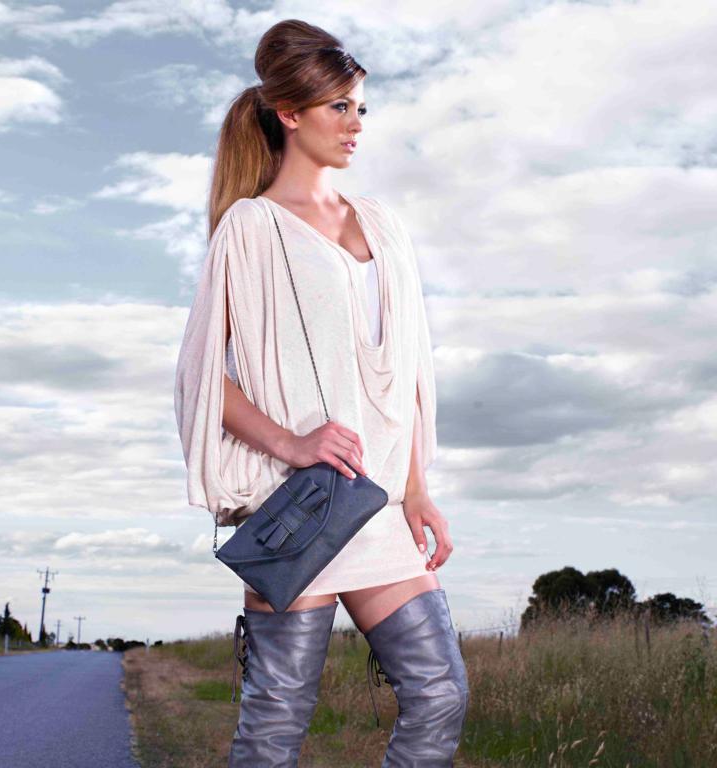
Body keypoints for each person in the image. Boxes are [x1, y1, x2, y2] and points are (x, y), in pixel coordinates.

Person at [173, 18, 469, 768]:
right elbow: (202, 377)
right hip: (299, 504)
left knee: (440, 694)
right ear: (290, 114)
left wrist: (416, 489)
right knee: (276, 723)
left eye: (360, 106)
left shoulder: (383, 225)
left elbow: (406, 373)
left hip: (381, 506)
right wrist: (291, 442)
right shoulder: (250, 227)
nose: (355, 123)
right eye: (338, 106)